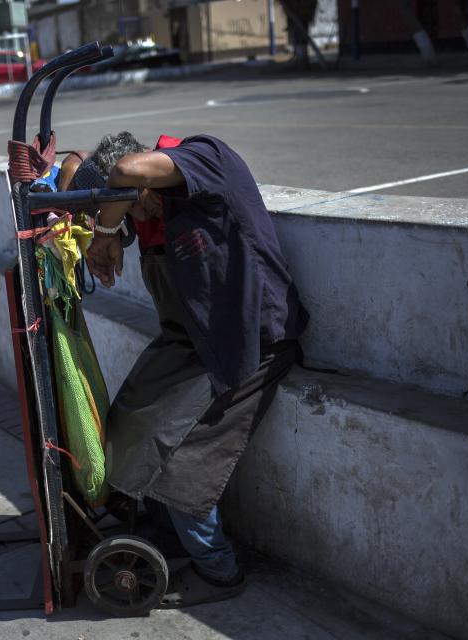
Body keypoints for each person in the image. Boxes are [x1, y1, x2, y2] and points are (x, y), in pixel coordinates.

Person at [81, 132, 308, 606]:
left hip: (250, 340)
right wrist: (111, 224)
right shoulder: (144, 210)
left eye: (131, 208)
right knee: (127, 418)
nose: (136, 221)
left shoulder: (205, 159)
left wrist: (105, 233)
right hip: (191, 345)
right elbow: (75, 166)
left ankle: (218, 570)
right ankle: (167, 535)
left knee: (182, 460)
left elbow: (124, 172)